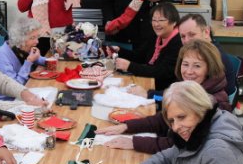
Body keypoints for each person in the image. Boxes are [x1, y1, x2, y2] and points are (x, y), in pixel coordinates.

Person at [120, 81, 243, 164]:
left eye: (181, 117)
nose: (175, 127)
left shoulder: (220, 153)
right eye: (172, 121)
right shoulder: (196, 132)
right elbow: (166, 159)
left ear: (200, 109)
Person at [96, 39, 231, 154]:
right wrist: (127, 127)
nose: (189, 72)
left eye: (197, 66)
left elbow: (179, 144)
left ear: (209, 68)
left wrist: (134, 142)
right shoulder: (191, 89)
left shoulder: (213, 102)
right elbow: (163, 119)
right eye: (185, 64)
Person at [112, 2, 182, 90]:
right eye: (154, 20)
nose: (156, 24)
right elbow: (140, 56)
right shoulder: (156, 37)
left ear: (174, 22)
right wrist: (119, 51)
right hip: (149, 83)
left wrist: (130, 66)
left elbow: (161, 72)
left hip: (165, 91)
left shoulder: (178, 42)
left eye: (161, 20)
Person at [178, 13, 235, 95]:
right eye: (183, 36)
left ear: (206, 32)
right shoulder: (200, 52)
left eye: (192, 34)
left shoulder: (216, 58)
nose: (186, 40)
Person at [0, 17, 46, 100]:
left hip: (24, 92)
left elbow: (38, 59)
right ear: (20, 39)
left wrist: (49, 61)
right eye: (32, 38)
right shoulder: (3, 55)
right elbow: (14, 88)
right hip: (8, 101)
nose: (37, 41)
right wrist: (29, 62)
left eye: (37, 37)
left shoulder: (22, 47)